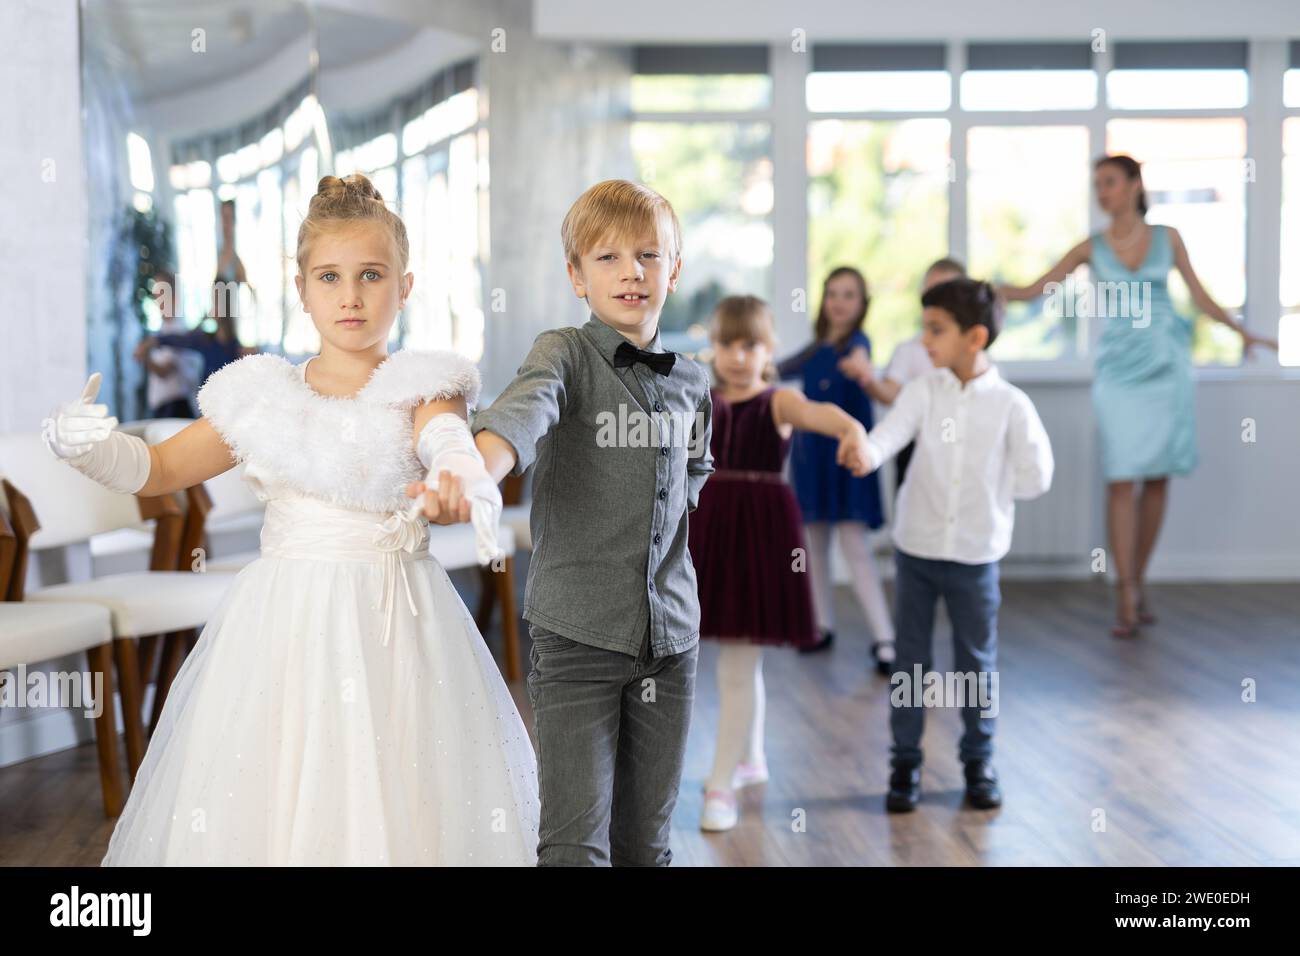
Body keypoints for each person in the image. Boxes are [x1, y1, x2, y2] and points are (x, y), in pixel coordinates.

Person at [43, 173, 539, 864]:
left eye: (371, 275)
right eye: (330, 277)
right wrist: (90, 448)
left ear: (405, 285)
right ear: (301, 287)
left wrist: (459, 470)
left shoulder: (425, 386)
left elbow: (444, 440)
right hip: (285, 619)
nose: (352, 296)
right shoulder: (260, 394)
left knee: (403, 783)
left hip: (399, 618)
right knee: (278, 784)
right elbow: (156, 471)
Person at [414, 180, 712, 866]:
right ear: (576, 277)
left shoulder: (695, 383)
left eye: (648, 255)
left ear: (675, 268)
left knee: (647, 845)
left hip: (671, 642)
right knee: (575, 848)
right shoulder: (564, 354)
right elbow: (521, 415)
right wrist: (471, 471)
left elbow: (688, 497)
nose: (631, 271)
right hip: (577, 638)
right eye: (606, 258)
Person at [999, 155, 1277, 637]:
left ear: (1133, 186)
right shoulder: (1091, 247)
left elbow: (1201, 297)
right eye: (1097, 185)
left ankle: (1138, 578)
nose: (1101, 192)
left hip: (1166, 364)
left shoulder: (1167, 238)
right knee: (1121, 477)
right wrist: (983, 289)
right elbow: (1033, 290)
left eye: (1109, 183)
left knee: (1158, 477)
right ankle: (1125, 589)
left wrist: (1243, 334)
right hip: (1119, 372)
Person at [857, 278, 1054, 813]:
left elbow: (1037, 475)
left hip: (975, 558)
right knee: (911, 664)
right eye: (924, 328)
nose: (925, 340)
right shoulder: (924, 391)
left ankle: (978, 761)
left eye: (935, 330)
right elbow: (889, 435)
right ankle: (905, 764)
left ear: (975, 337)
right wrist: (865, 455)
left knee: (976, 664)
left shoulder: (1011, 405)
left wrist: (995, 494)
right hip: (917, 552)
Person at [688, 294, 870, 831]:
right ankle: (751, 759)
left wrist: (853, 432)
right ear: (712, 347)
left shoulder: (777, 401)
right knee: (738, 660)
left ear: (768, 349)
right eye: (727, 344)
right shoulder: (699, 396)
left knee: (739, 661)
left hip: (761, 533)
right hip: (710, 527)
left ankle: (720, 785)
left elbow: (824, 414)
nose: (738, 356)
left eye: (751, 345)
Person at [777, 266, 895, 673]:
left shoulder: (858, 345)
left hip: (847, 461)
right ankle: (820, 625)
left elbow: (864, 359)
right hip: (812, 463)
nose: (840, 302)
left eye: (849, 295)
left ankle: (885, 640)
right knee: (814, 546)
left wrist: (862, 365)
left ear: (862, 305)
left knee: (854, 546)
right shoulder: (812, 351)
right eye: (833, 294)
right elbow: (774, 370)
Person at [139, 268, 201, 418]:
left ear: (173, 296)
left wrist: (144, 356)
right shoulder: (163, 331)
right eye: (156, 295)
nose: (157, 300)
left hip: (175, 409)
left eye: (161, 293)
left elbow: (165, 370)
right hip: (164, 409)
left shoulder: (178, 332)